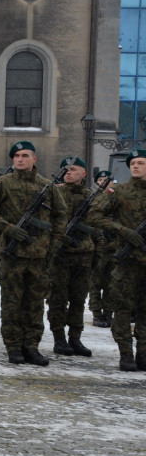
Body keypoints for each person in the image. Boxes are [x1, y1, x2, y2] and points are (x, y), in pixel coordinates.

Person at [0, 141, 65, 366]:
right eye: (16, 155)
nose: (20, 159)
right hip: (13, 255)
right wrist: (7, 227)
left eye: (25, 155)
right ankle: (14, 347)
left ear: (34, 159)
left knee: (35, 304)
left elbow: (60, 216)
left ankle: (31, 346)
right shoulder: (2, 184)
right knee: (12, 304)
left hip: (39, 257)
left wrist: (52, 246)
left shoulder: (47, 186)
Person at [88, 149, 146, 371]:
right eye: (133, 163)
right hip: (126, 263)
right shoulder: (119, 192)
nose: (136, 166)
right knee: (122, 309)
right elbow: (94, 214)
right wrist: (122, 230)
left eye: (141, 162)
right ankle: (126, 353)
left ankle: (143, 353)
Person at [48, 156, 96, 357]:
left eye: (73, 169)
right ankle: (59, 338)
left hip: (83, 254)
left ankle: (75, 338)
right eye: (65, 169)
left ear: (83, 173)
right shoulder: (53, 193)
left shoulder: (91, 196)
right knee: (57, 299)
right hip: (60, 255)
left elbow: (98, 223)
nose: (68, 172)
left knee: (78, 299)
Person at [89, 170, 116, 328]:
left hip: (114, 247)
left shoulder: (117, 197)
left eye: (106, 179)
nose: (103, 182)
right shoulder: (92, 199)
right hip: (98, 246)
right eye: (100, 179)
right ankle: (97, 313)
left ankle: (108, 313)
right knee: (95, 283)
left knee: (111, 283)